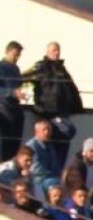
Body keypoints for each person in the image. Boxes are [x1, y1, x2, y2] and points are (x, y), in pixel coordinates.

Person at [24, 42, 83, 170]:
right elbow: (23, 77)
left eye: (58, 50)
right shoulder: (41, 66)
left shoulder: (62, 69)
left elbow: (71, 89)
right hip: (47, 113)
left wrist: (76, 107)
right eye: (54, 50)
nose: (56, 53)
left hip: (62, 112)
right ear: (48, 51)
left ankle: (57, 171)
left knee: (65, 139)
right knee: (47, 144)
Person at [0, 41, 25, 162]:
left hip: (16, 112)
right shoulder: (1, 67)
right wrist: (12, 92)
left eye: (18, 55)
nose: (16, 58)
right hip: (4, 110)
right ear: (7, 52)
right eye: (15, 55)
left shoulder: (16, 69)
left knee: (14, 147)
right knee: (5, 147)